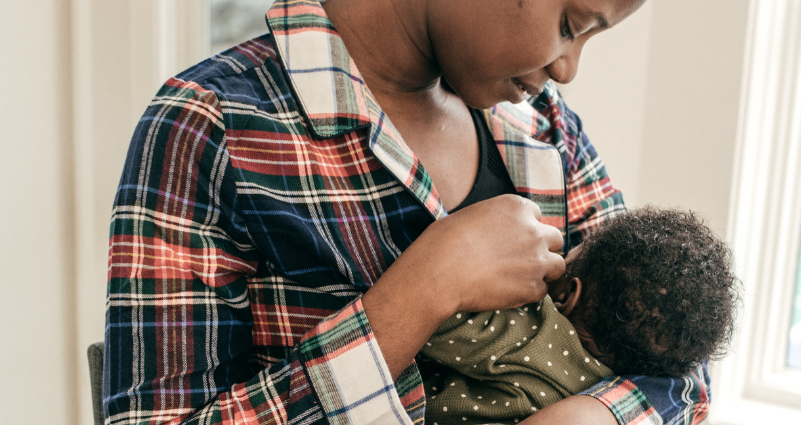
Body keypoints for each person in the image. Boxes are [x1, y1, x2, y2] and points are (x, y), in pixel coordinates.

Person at [103, 0, 711, 424]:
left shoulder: (550, 137)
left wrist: (593, 416)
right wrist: (425, 288)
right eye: (570, 24)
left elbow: (679, 353)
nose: (567, 69)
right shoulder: (212, 127)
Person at [420, 207, 738, 425]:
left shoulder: (525, 329)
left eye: (577, 247)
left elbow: (435, 321)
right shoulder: (619, 384)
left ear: (568, 295)